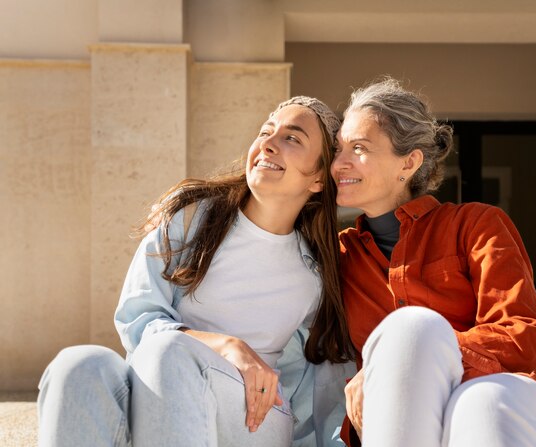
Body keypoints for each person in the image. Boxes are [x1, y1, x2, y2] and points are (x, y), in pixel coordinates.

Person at [37, 96, 355, 447]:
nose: (268, 143)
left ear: (319, 180)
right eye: (266, 132)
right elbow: (137, 318)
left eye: (292, 138)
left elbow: (321, 383)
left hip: (254, 418)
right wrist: (226, 346)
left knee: (171, 350)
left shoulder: (315, 274)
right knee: (79, 364)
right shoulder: (190, 221)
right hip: (160, 395)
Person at [331, 78, 536, 446]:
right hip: (406, 422)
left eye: (359, 148)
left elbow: (522, 335)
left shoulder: (476, 224)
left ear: (409, 162)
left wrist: (399, 364)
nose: (339, 163)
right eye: (337, 150)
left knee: (476, 396)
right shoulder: (339, 255)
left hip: (509, 401)